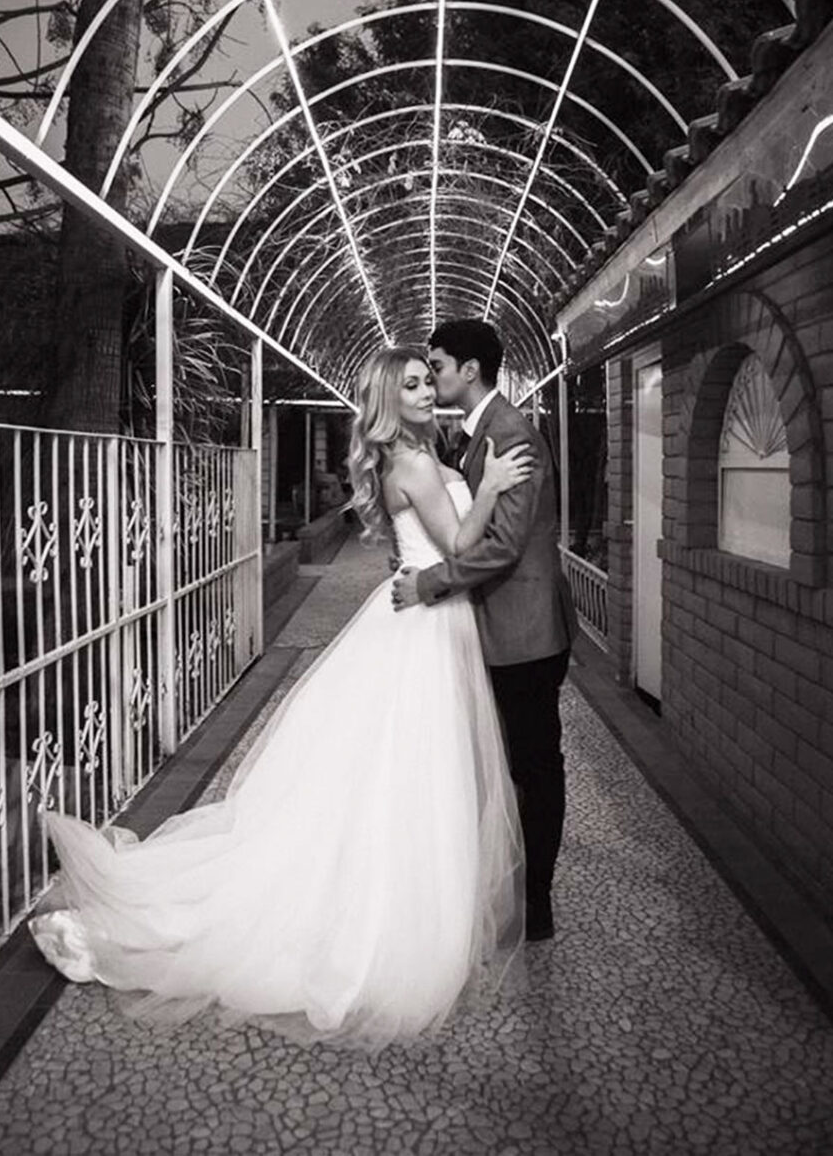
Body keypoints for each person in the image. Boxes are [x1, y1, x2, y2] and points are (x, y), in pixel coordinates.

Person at [29, 346, 533, 1047]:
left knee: (394, 775)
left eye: (427, 380)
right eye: (412, 384)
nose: (425, 391)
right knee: (407, 771)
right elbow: (453, 547)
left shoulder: (409, 457)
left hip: (419, 619)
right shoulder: (414, 463)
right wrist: (489, 488)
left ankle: (401, 902)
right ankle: (394, 917)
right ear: (389, 398)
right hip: (424, 622)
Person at [391, 319, 578, 942]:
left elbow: (502, 547)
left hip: (525, 632)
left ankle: (539, 904)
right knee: (504, 763)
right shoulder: (477, 436)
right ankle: (502, 883)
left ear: (469, 370)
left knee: (534, 764)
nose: (432, 377)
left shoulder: (510, 434)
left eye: (437, 366)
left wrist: (429, 582)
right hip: (494, 629)